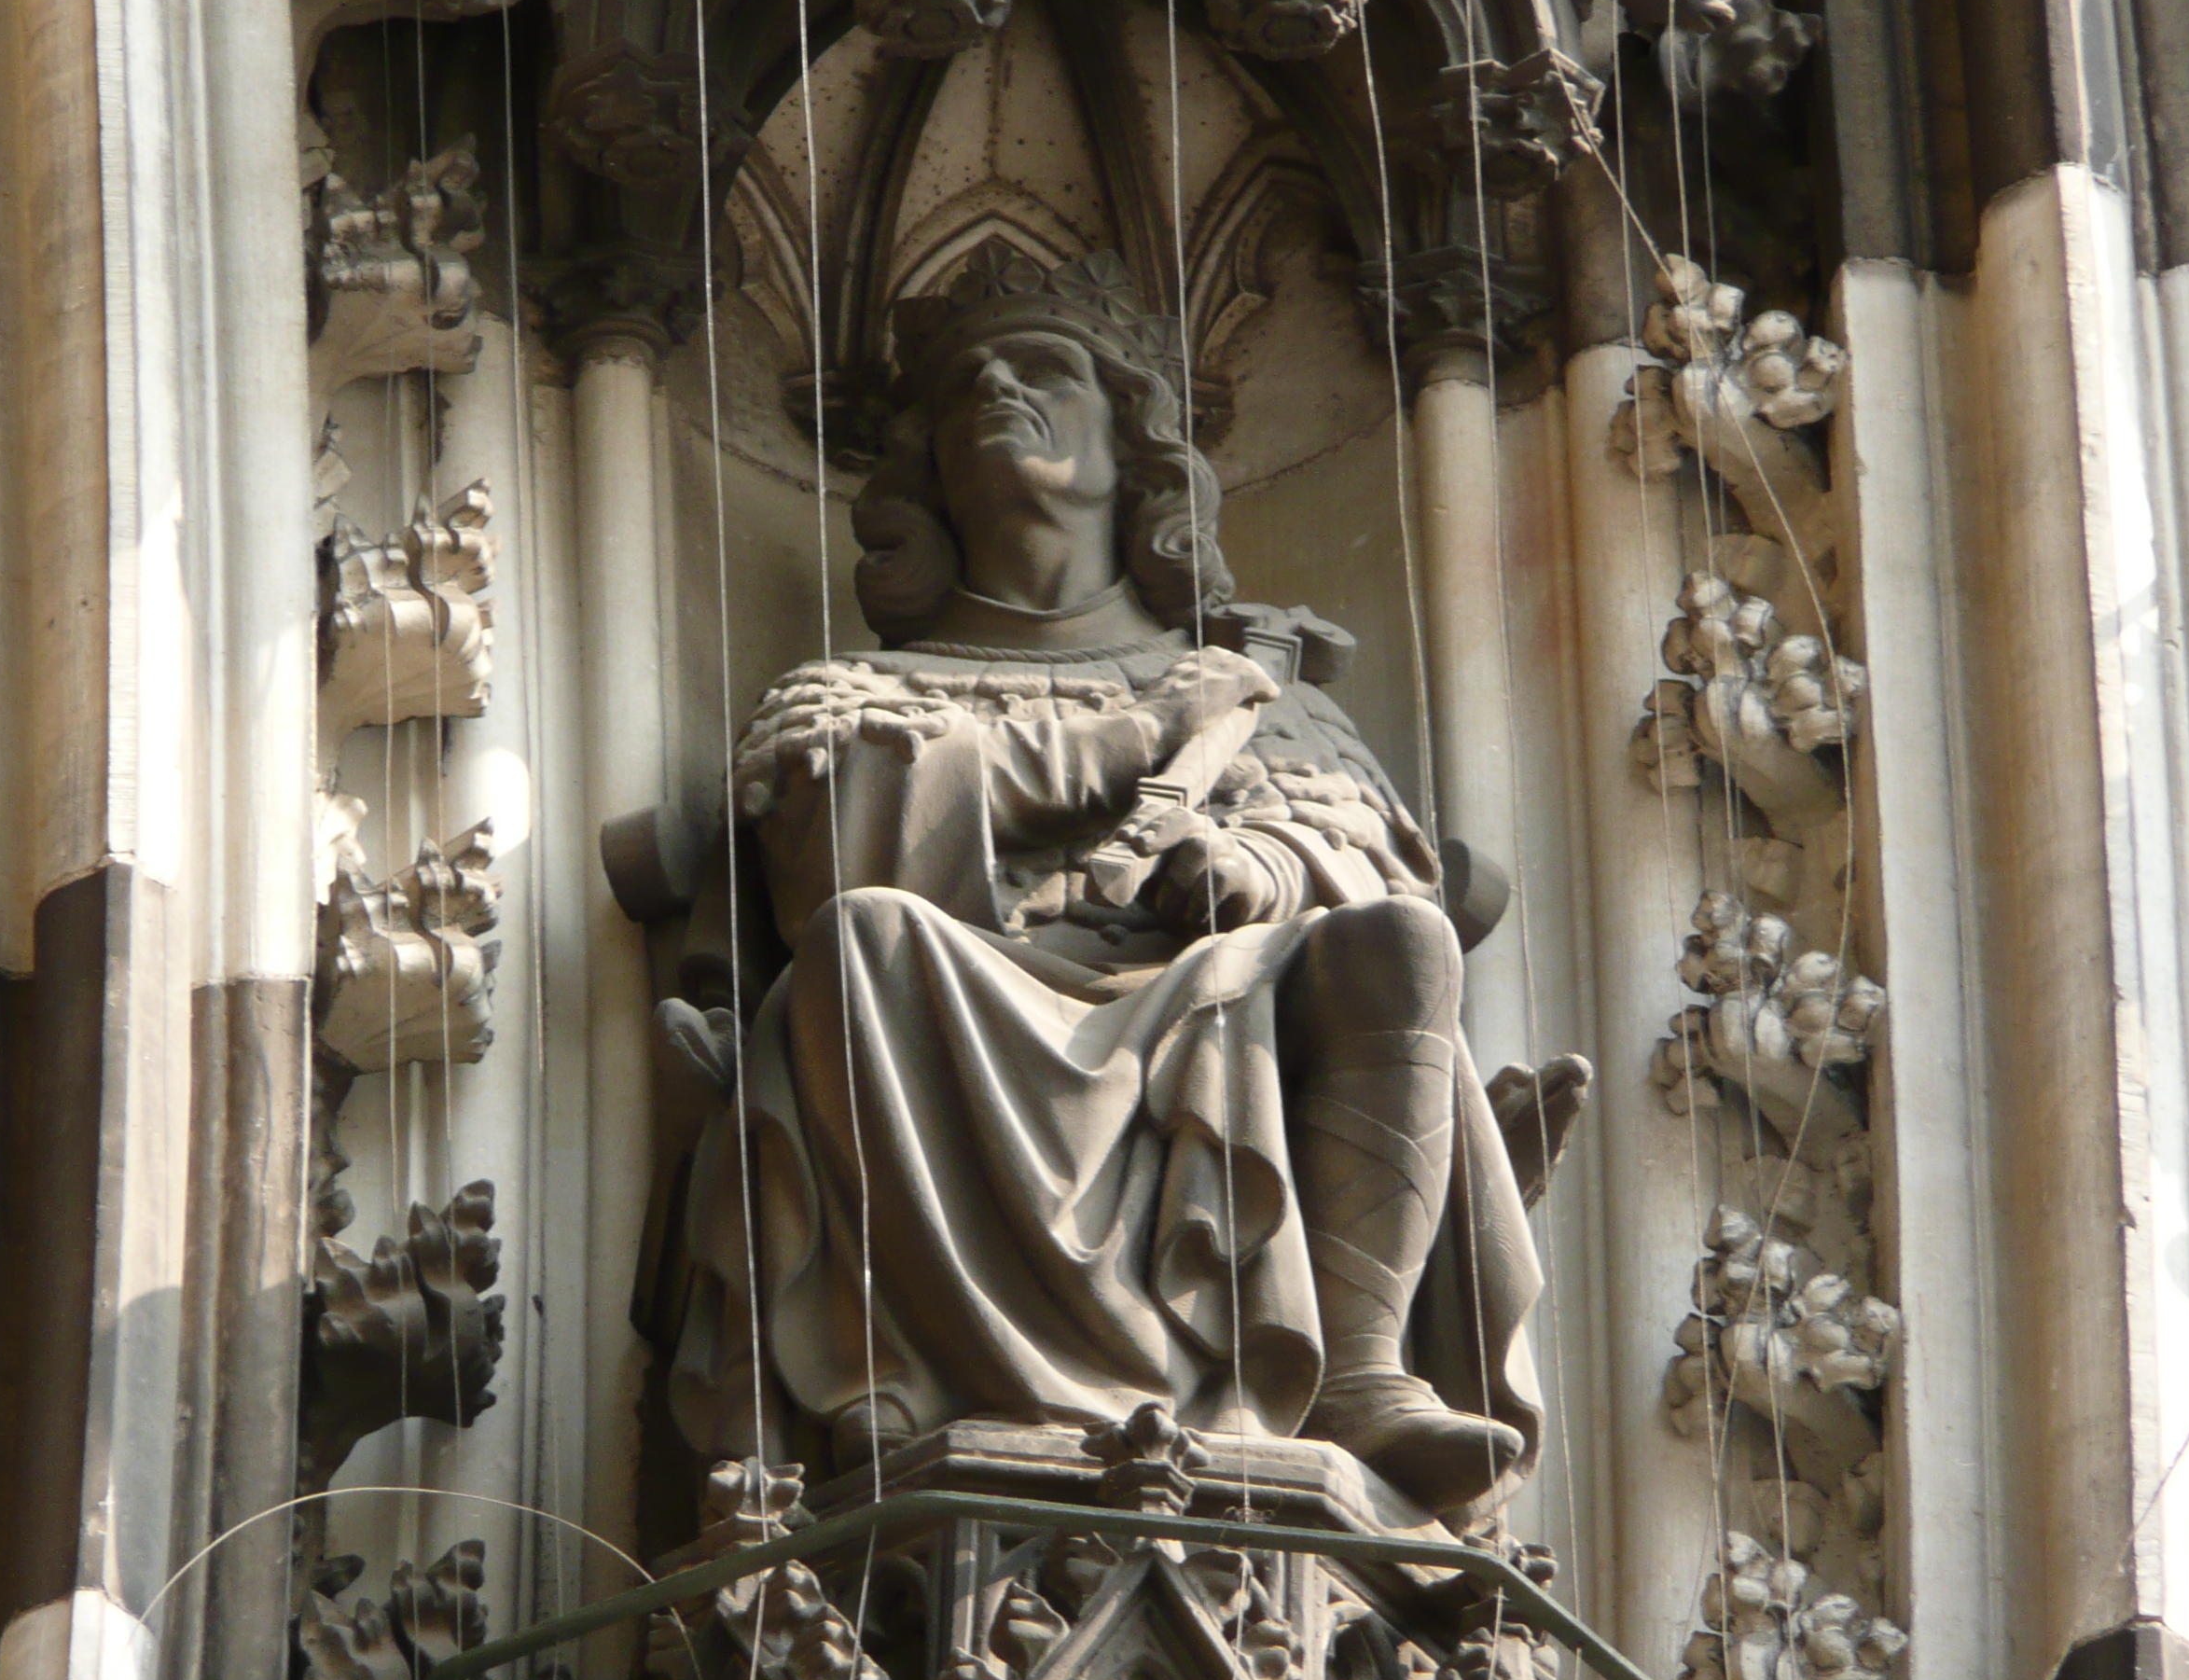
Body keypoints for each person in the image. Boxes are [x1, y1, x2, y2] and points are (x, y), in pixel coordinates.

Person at [658, 244, 1558, 1519]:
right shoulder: (856, 690)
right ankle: (916, 1381)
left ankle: (1356, 1374)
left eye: (1043, 372)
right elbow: (839, 856)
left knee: (1399, 943)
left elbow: (1363, 852)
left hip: (1208, 1000)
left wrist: (1248, 867)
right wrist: (1136, 735)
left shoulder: (1258, 695)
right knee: (865, 942)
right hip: (963, 1009)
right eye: (966, 384)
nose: (996, 395)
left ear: (1134, 450)